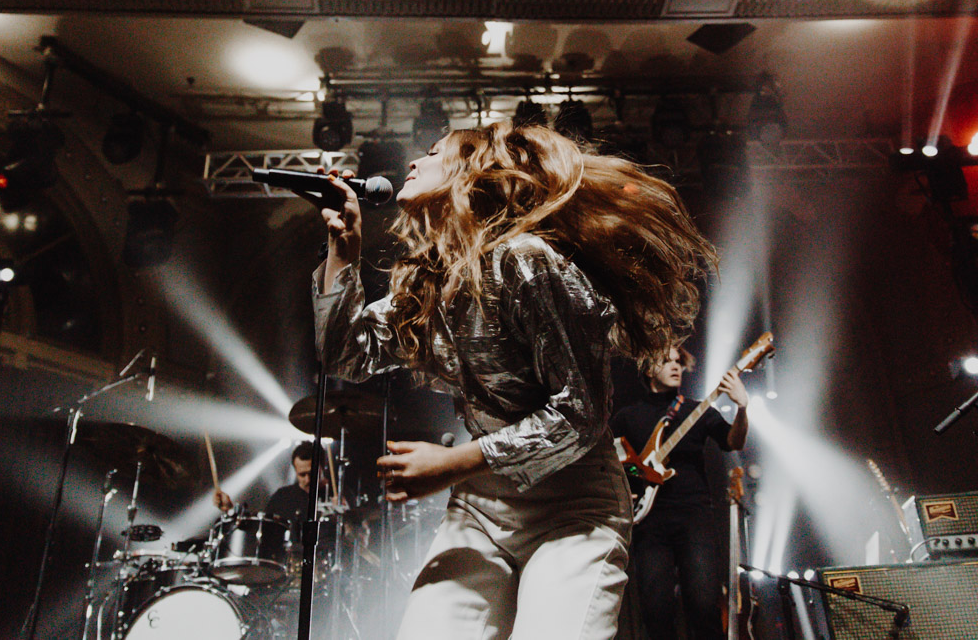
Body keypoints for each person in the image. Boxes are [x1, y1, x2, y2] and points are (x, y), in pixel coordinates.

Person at [312, 121, 717, 640]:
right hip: (480, 508)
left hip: (575, 505)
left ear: (473, 172)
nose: (414, 162)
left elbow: (580, 414)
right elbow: (346, 356)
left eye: (433, 153)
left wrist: (454, 462)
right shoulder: (427, 279)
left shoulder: (526, 261)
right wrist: (343, 250)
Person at [610, 347, 748, 640]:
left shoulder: (696, 410)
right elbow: (611, 464)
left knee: (704, 605)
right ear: (648, 370)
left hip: (694, 517)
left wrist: (742, 408)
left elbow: (733, 441)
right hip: (649, 522)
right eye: (667, 361)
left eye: (679, 362)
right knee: (655, 612)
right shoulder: (627, 417)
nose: (675, 367)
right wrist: (626, 493)